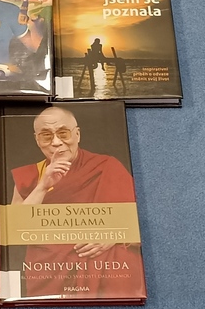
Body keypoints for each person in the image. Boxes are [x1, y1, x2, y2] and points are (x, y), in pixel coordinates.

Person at [10, 106, 144, 299]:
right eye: (46, 136)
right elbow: (14, 232)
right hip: (49, 273)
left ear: (77, 134)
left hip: (109, 272)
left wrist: (115, 235)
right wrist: (42, 186)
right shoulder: (30, 176)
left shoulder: (106, 167)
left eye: (63, 133)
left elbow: (143, 228)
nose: (56, 142)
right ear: (37, 140)